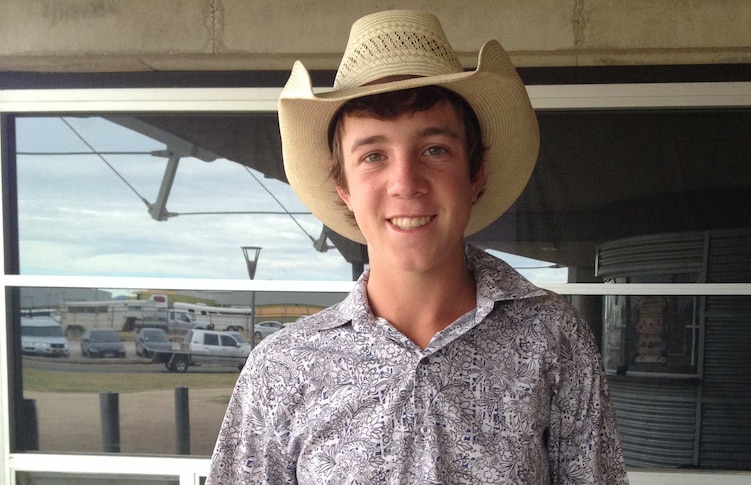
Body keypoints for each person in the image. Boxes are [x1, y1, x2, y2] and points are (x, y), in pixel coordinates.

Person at [207, 9, 628, 484]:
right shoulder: (283, 368)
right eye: (373, 156)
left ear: (475, 176)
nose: (405, 183)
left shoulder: (553, 340)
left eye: (434, 150)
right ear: (343, 189)